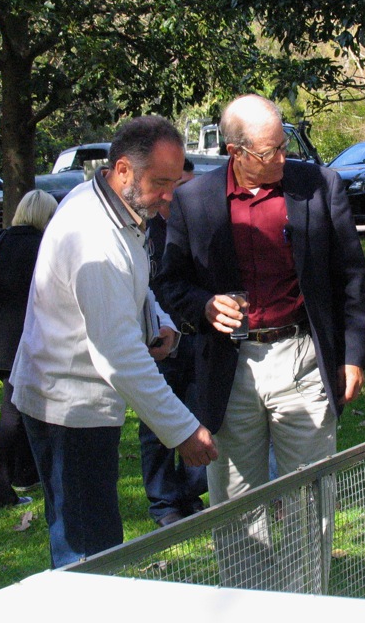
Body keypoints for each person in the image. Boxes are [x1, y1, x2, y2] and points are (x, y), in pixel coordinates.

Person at [11, 115, 217, 568]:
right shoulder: (95, 234)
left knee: (91, 541)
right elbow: (119, 355)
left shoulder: (113, 203)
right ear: (122, 169)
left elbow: (132, 284)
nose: (170, 196)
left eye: (176, 181)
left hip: (77, 401)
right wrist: (182, 430)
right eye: (160, 183)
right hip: (66, 407)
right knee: (89, 553)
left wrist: (158, 320)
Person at [158, 93, 365, 518]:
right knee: (237, 509)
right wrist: (204, 306)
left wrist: (353, 355)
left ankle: (307, 588)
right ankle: (244, 587)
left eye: (283, 145)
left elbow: (350, 275)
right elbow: (169, 283)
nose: (281, 157)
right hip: (230, 367)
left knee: (310, 502)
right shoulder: (194, 199)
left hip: (303, 358)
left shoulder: (318, 186)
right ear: (234, 152)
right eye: (270, 150)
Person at [0, 189, 58, 508]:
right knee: (15, 415)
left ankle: (23, 472)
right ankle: (1, 488)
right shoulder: (44, 247)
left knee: (20, 409)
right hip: (27, 341)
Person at [139, 158, 209, 527]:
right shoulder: (144, 229)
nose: (181, 196)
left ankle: (191, 493)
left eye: (188, 186)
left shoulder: (202, 222)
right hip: (160, 339)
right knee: (156, 424)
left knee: (197, 414)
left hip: (199, 336)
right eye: (176, 186)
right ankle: (164, 502)